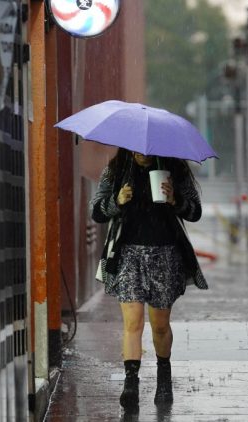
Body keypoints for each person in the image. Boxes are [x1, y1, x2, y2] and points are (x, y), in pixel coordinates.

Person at [90, 148, 208, 409]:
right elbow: (96, 212)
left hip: (165, 255)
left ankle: (163, 376)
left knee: (160, 326)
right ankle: (130, 384)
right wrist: (117, 201)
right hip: (127, 255)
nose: (141, 153)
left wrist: (175, 200)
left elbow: (195, 212)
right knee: (132, 322)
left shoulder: (174, 169)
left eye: (147, 150)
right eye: (136, 149)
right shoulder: (116, 170)